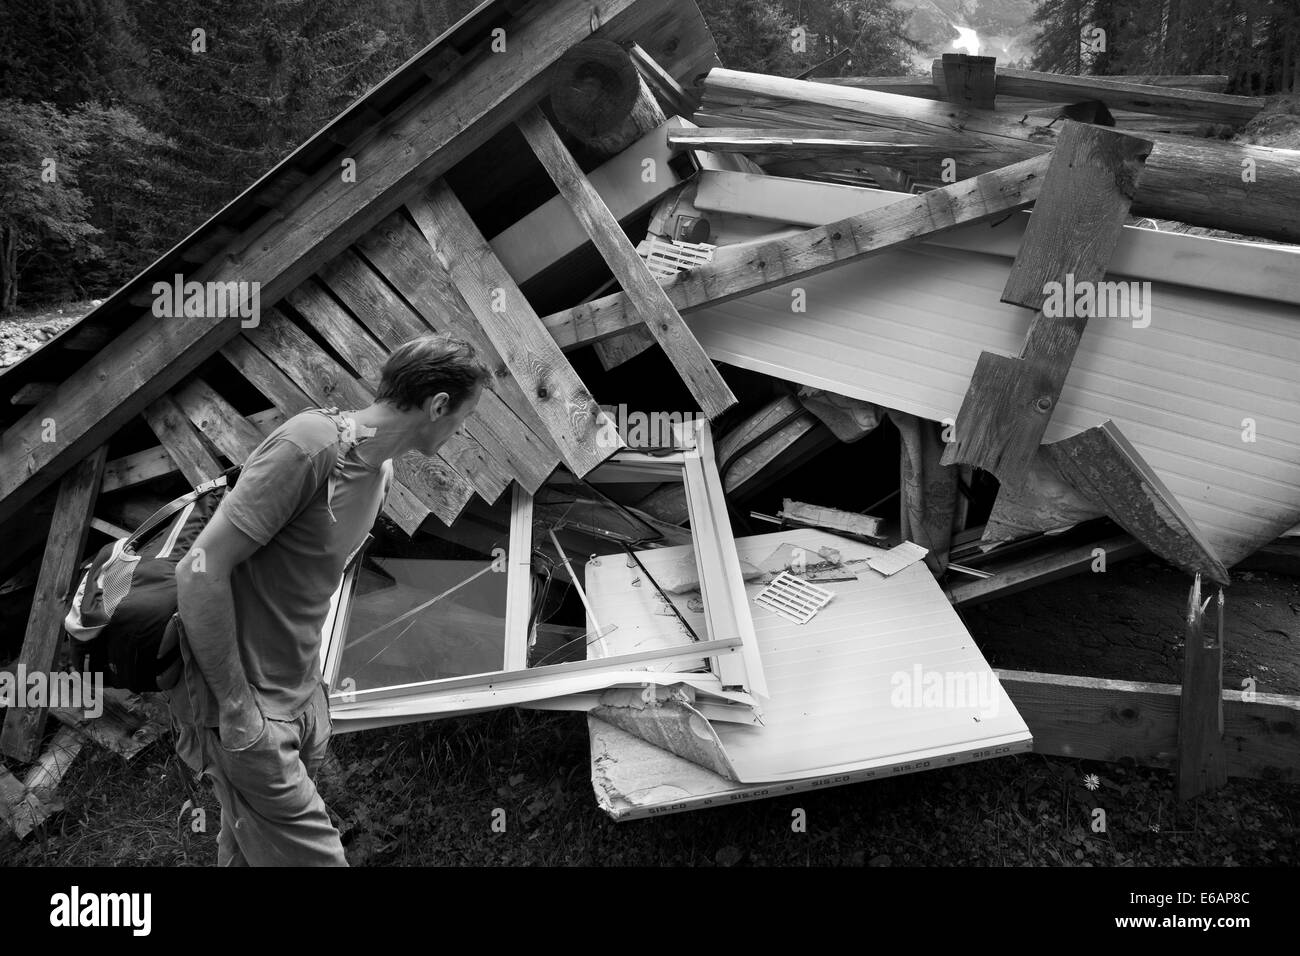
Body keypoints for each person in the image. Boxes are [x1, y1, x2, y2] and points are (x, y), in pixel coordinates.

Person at [169, 332, 488, 866]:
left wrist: (311, 692)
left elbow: (306, 581)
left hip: (299, 696)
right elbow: (199, 571)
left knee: (248, 849)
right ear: (438, 406)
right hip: (248, 705)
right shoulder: (310, 445)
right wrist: (237, 708)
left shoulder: (378, 473)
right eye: (464, 418)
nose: (461, 431)